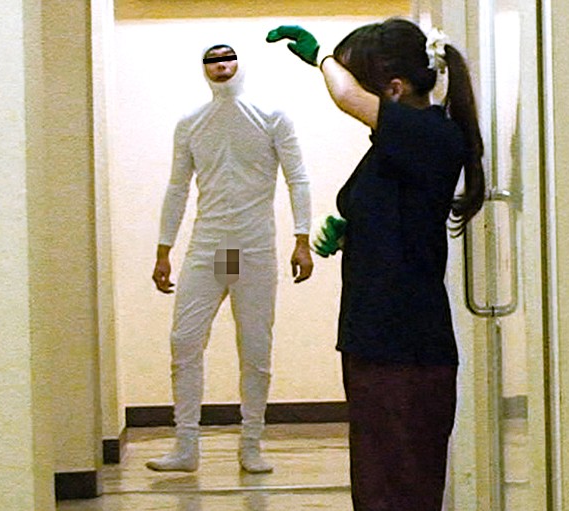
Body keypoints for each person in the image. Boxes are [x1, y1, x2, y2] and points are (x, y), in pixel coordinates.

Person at [268, 18, 485, 510]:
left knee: (398, 490)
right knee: (378, 487)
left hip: (405, 345)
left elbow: (345, 96)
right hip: (378, 339)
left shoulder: (429, 134)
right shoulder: (399, 143)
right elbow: (397, 213)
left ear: (394, 88)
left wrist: (322, 57)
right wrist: (350, 230)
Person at [149, 43, 313, 474]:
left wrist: (302, 238)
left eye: (228, 58)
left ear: (240, 63)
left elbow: (297, 178)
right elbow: (177, 187)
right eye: (212, 61)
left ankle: (251, 444)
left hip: (251, 247)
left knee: (255, 345)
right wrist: (164, 249)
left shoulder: (272, 115)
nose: (221, 67)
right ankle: (186, 446)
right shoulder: (191, 122)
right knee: (185, 341)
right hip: (213, 248)